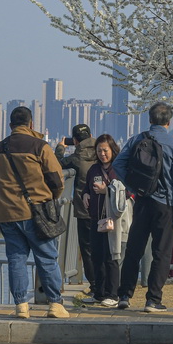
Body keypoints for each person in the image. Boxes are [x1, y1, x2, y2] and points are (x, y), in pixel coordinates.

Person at [0, 106, 70, 320]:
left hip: (6, 215)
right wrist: (51, 197)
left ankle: (21, 306)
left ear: (10, 125)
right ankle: (55, 305)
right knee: (47, 258)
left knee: (16, 259)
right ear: (31, 124)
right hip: (36, 213)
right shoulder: (40, 146)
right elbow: (57, 180)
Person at [112, 102, 173, 312]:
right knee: (162, 253)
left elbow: (117, 164)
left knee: (134, 249)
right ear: (169, 122)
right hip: (165, 205)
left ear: (149, 119)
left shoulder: (137, 139)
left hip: (142, 201)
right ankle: (153, 300)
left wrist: (133, 186)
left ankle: (124, 296)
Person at [55, 123, 98, 303]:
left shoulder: (75, 157)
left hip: (84, 209)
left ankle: (95, 284)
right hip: (103, 207)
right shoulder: (102, 151)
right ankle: (107, 283)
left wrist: (60, 147)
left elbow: (57, 164)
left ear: (75, 140)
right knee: (104, 247)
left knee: (87, 249)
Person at [82, 133, 125, 307]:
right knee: (97, 257)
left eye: (105, 150)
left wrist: (106, 190)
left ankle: (113, 294)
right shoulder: (93, 169)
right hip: (96, 218)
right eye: (99, 150)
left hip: (113, 220)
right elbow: (87, 186)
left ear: (112, 149)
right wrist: (85, 193)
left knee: (111, 256)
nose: (102, 154)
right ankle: (98, 293)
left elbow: (126, 192)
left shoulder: (119, 168)